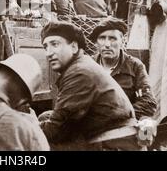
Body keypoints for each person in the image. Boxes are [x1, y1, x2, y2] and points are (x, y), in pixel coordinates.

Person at [39, 21, 140, 150]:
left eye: (55, 44)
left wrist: (25, 125)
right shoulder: (81, 64)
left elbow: (55, 131)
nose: (48, 53)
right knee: (45, 117)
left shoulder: (79, 73)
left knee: (40, 141)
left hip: (114, 144)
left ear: (74, 47)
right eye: (45, 47)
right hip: (112, 135)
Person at [90, 17, 157, 119]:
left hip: (124, 123)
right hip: (91, 125)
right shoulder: (88, 66)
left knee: (147, 127)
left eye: (113, 38)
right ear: (96, 42)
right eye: (102, 38)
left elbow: (148, 102)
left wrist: (120, 116)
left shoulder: (135, 66)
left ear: (123, 41)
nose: (107, 44)